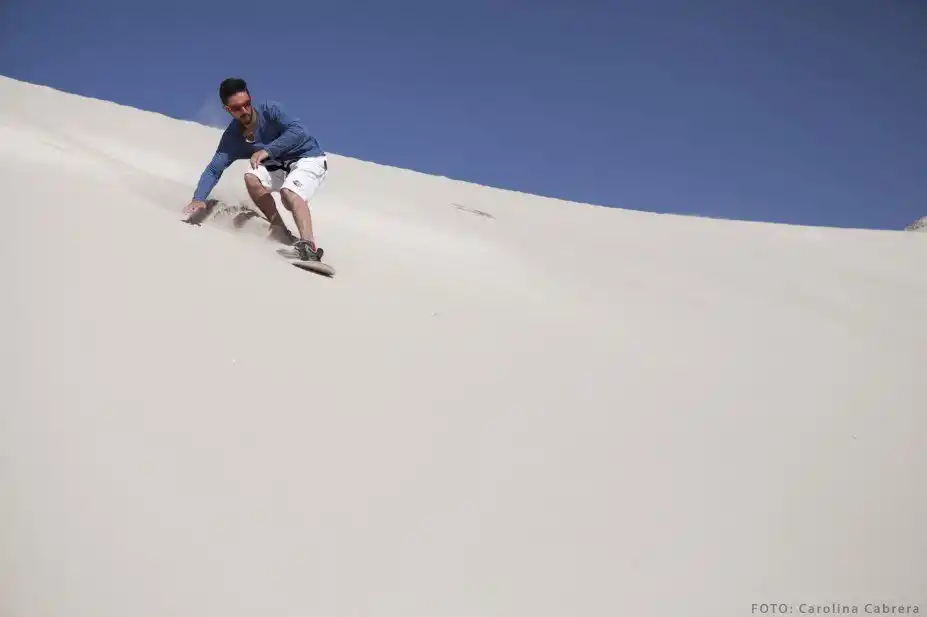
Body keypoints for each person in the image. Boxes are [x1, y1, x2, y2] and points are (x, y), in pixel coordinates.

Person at [183, 77, 328, 261]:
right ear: (227, 110)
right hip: (279, 166)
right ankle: (280, 231)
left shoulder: (270, 110)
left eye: (247, 104)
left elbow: (299, 132)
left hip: (308, 157)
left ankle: (309, 247)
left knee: (289, 192)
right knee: (251, 178)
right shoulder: (233, 138)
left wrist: (267, 150)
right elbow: (214, 169)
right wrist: (199, 198)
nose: (244, 110)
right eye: (237, 108)